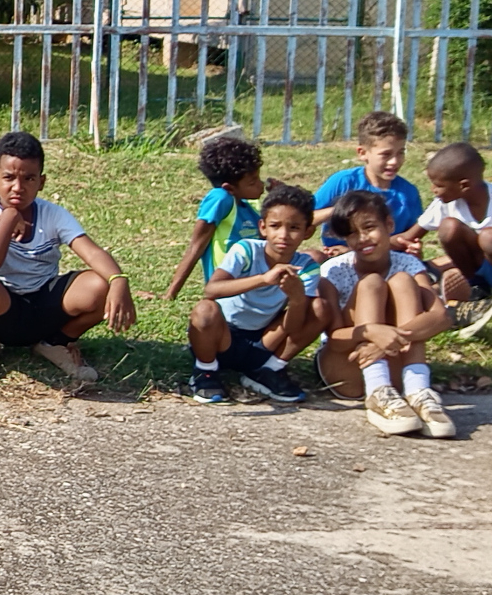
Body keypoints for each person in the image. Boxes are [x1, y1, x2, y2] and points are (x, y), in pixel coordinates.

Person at [0, 131, 135, 386]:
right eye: (9, 178)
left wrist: (118, 280)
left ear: (42, 182)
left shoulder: (53, 214)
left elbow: (91, 251)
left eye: (29, 178)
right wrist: (8, 218)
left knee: (100, 285)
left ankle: (56, 343)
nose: (18, 187)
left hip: (43, 306)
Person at [315, 191, 454, 437]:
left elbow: (441, 316)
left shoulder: (408, 264)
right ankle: (377, 391)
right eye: (351, 233)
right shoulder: (334, 270)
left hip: (396, 367)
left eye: (369, 227)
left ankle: (417, 391)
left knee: (402, 281)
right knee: (372, 284)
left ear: (389, 225)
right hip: (345, 366)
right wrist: (370, 332)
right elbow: (334, 338)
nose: (362, 239)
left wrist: (386, 341)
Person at [187, 183, 330, 405]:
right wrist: (263, 279)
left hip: (265, 341)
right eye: (275, 226)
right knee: (205, 309)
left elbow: (294, 328)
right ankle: (205, 371)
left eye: (294, 228)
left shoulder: (306, 267)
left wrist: (297, 298)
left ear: (308, 232)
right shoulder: (245, 250)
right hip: (223, 338)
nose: (283, 235)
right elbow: (211, 290)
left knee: (320, 307)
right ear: (263, 227)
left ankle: (269, 370)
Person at [395, 142, 492, 334]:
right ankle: (476, 288)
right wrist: (360, 246)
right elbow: (407, 237)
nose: (432, 189)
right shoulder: (444, 204)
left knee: (488, 237)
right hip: (481, 270)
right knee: (449, 227)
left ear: (463, 185)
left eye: (438, 185)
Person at [165, 134, 264, 299]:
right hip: (227, 288)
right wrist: (170, 294)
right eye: (253, 182)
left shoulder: (248, 206)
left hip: (254, 285)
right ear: (229, 188)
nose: (261, 185)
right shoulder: (221, 198)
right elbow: (196, 246)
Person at [312, 110, 423, 254]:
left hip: (388, 262)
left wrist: (414, 249)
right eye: (386, 154)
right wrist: (340, 210)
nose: (394, 161)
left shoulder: (408, 193)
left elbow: (410, 236)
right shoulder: (343, 182)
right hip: (338, 260)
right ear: (362, 153)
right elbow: (306, 218)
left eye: (400, 152)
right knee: (314, 257)